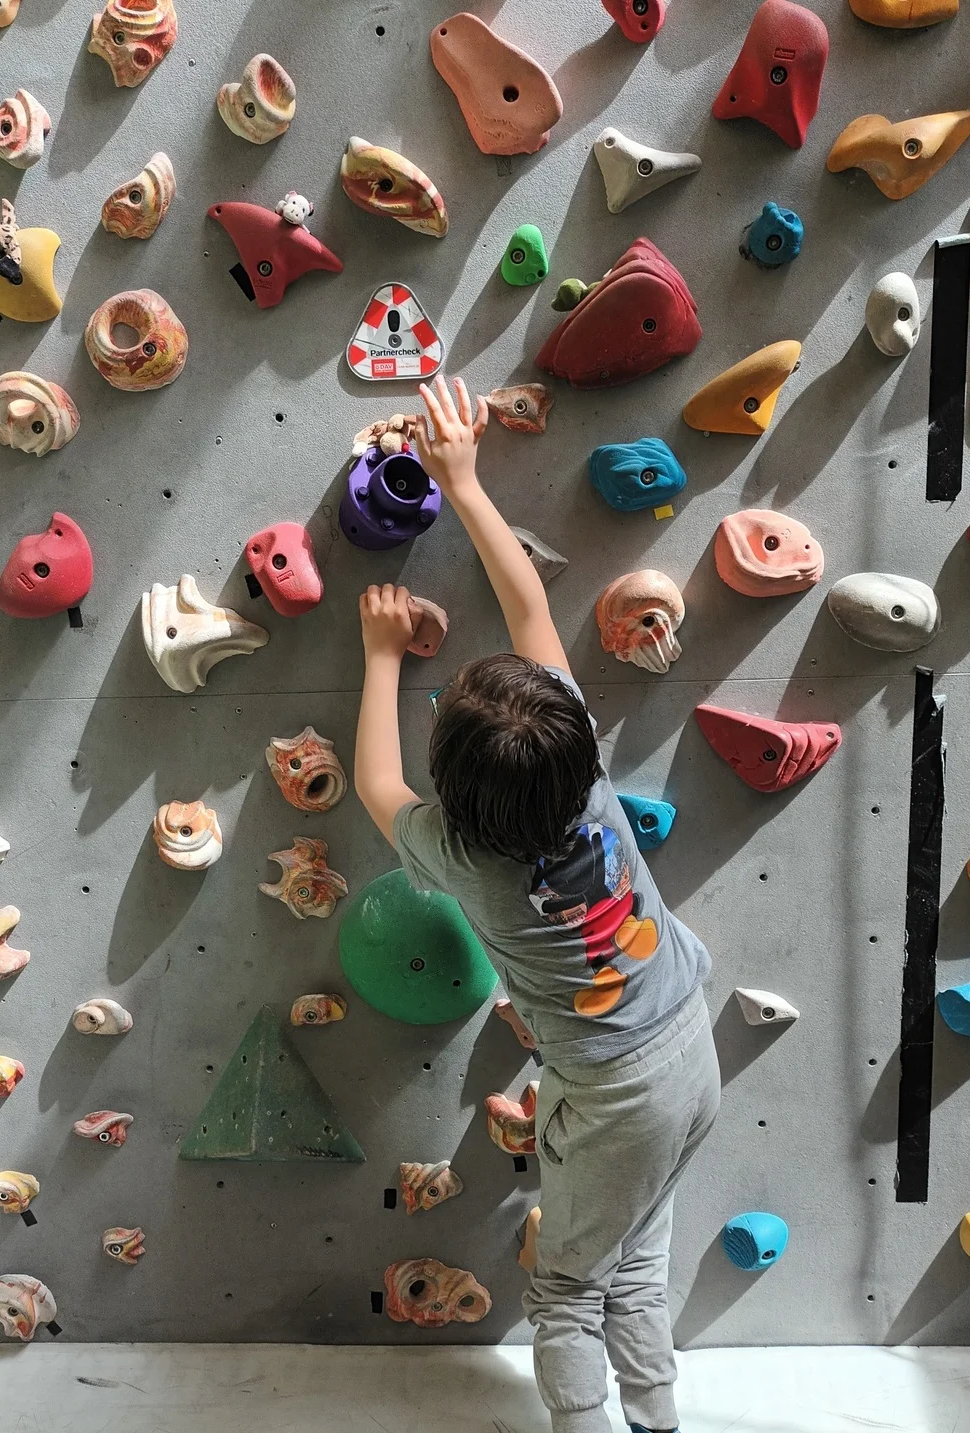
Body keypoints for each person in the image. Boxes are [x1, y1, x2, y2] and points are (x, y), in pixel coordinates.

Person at [354, 376, 719, 1433]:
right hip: (690, 1047)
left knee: (565, 1288)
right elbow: (530, 610)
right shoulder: (584, 766)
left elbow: (376, 782)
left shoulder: (460, 854)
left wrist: (379, 655)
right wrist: (467, 483)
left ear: (455, 791)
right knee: (634, 1259)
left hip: (612, 1094)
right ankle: (657, 1419)